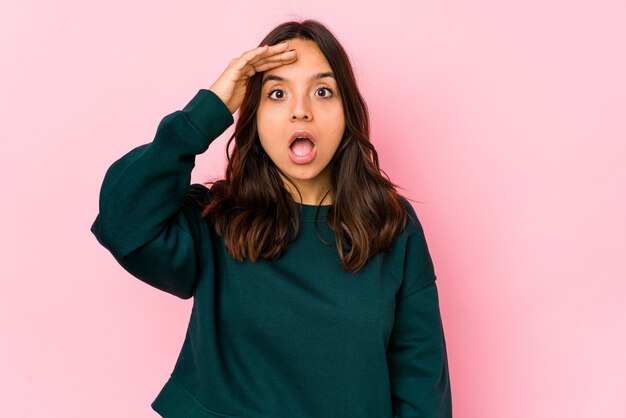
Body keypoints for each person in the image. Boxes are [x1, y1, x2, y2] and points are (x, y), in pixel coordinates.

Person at [91, 19, 452, 418]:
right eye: (277, 93)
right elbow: (123, 219)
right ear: (255, 116)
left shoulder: (392, 225)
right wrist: (209, 109)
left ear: (347, 111)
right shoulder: (216, 220)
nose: (301, 111)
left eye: (322, 91)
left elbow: (422, 385)